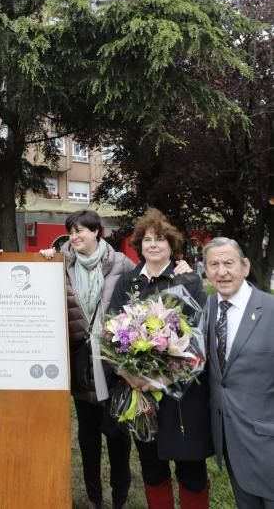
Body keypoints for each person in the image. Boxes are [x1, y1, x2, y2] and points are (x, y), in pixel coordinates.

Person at [109, 208, 213, 509]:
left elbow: (197, 338)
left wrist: (166, 377)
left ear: (172, 246)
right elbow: (111, 330)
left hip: (181, 395)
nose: (153, 245)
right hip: (141, 393)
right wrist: (129, 375)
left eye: (160, 240)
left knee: (190, 468)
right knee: (152, 467)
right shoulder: (128, 282)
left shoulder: (189, 282)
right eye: (147, 240)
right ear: (139, 245)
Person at [40, 209, 135, 509]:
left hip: (115, 366)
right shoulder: (59, 262)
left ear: (98, 232)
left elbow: (143, 299)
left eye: (81, 230)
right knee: (88, 436)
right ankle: (94, 498)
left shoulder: (122, 264)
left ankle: (119, 497)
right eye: (71, 231)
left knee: (119, 436)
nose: (75, 236)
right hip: (80, 360)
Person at [205, 237, 274, 509]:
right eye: (214, 264)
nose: (221, 272)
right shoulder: (209, 308)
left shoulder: (270, 310)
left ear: (245, 267)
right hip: (231, 441)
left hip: (268, 444)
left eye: (228, 263)